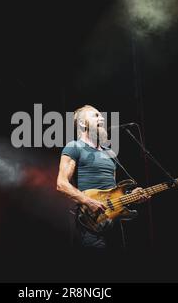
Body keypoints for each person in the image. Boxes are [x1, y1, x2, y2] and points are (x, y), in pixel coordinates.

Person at [56, 105, 143, 248]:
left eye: (101, 115)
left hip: (114, 221)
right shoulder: (74, 147)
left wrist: (131, 195)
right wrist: (89, 202)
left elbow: (114, 190)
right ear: (83, 123)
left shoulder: (110, 153)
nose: (102, 118)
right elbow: (61, 184)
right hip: (91, 222)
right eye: (95, 115)